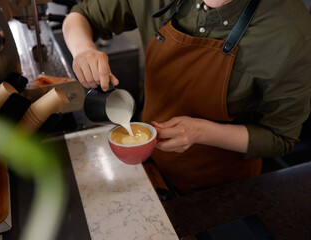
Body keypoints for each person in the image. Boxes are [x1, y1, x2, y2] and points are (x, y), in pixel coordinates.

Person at [62, 0, 311, 195]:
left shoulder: (291, 31)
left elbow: (281, 137)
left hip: (224, 190)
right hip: (151, 169)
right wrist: (83, 50)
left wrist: (203, 132)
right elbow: (80, 17)